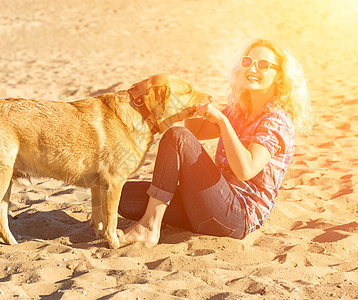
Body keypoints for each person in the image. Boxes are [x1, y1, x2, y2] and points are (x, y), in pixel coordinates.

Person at [118, 39, 312, 244]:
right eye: (248, 61)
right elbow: (198, 132)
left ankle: (150, 227)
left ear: (279, 77)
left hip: (237, 215)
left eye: (263, 65)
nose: (253, 68)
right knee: (123, 198)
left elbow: (245, 170)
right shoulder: (241, 109)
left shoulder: (276, 121)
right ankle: (176, 219)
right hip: (209, 204)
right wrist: (191, 106)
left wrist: (223, 122)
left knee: (176, 137)